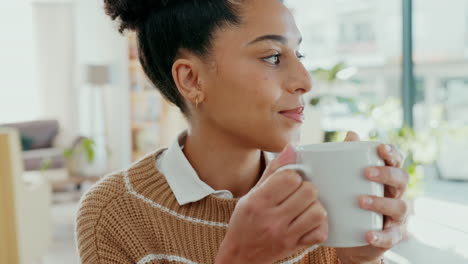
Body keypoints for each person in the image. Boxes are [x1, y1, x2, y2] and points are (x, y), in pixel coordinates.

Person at [75, 0, 409, 263]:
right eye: (273, 57)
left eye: (299, 53)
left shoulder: (324, 192)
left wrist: (360, 260)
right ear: (191, 79)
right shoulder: (114, 212)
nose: (305, 81)